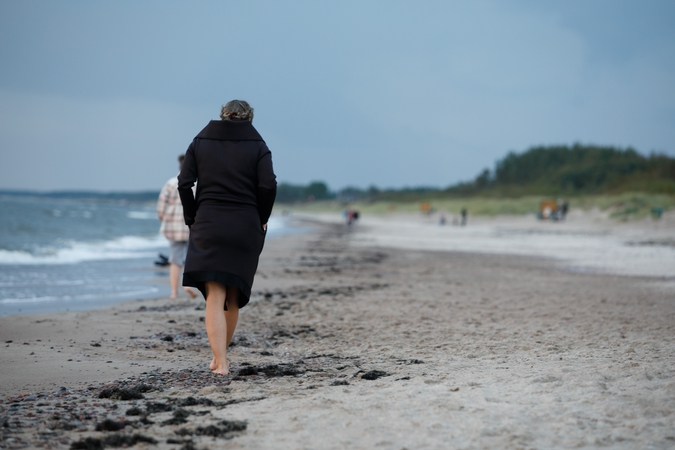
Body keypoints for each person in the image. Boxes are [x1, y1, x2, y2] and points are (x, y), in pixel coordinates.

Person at [178, 100, 277, 375]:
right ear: (249, 119)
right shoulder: (258, 145)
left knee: (214, 294)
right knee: (232, 295)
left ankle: (220, 361)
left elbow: (184, 183)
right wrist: (262, 217)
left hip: (209, 223)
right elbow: (268, 185)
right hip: (245, 226)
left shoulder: (200, 141)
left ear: (223, 116)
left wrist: (191, 217)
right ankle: (220, 359)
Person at [157, 155, 198, 300]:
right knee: (192, 258)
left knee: (175, 260)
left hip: (173, 229)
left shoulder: (170, 183)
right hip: (191, 227)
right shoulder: (196, 185)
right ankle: (188, 285)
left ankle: (174, 292)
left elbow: (161, 209)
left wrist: (166, 220)